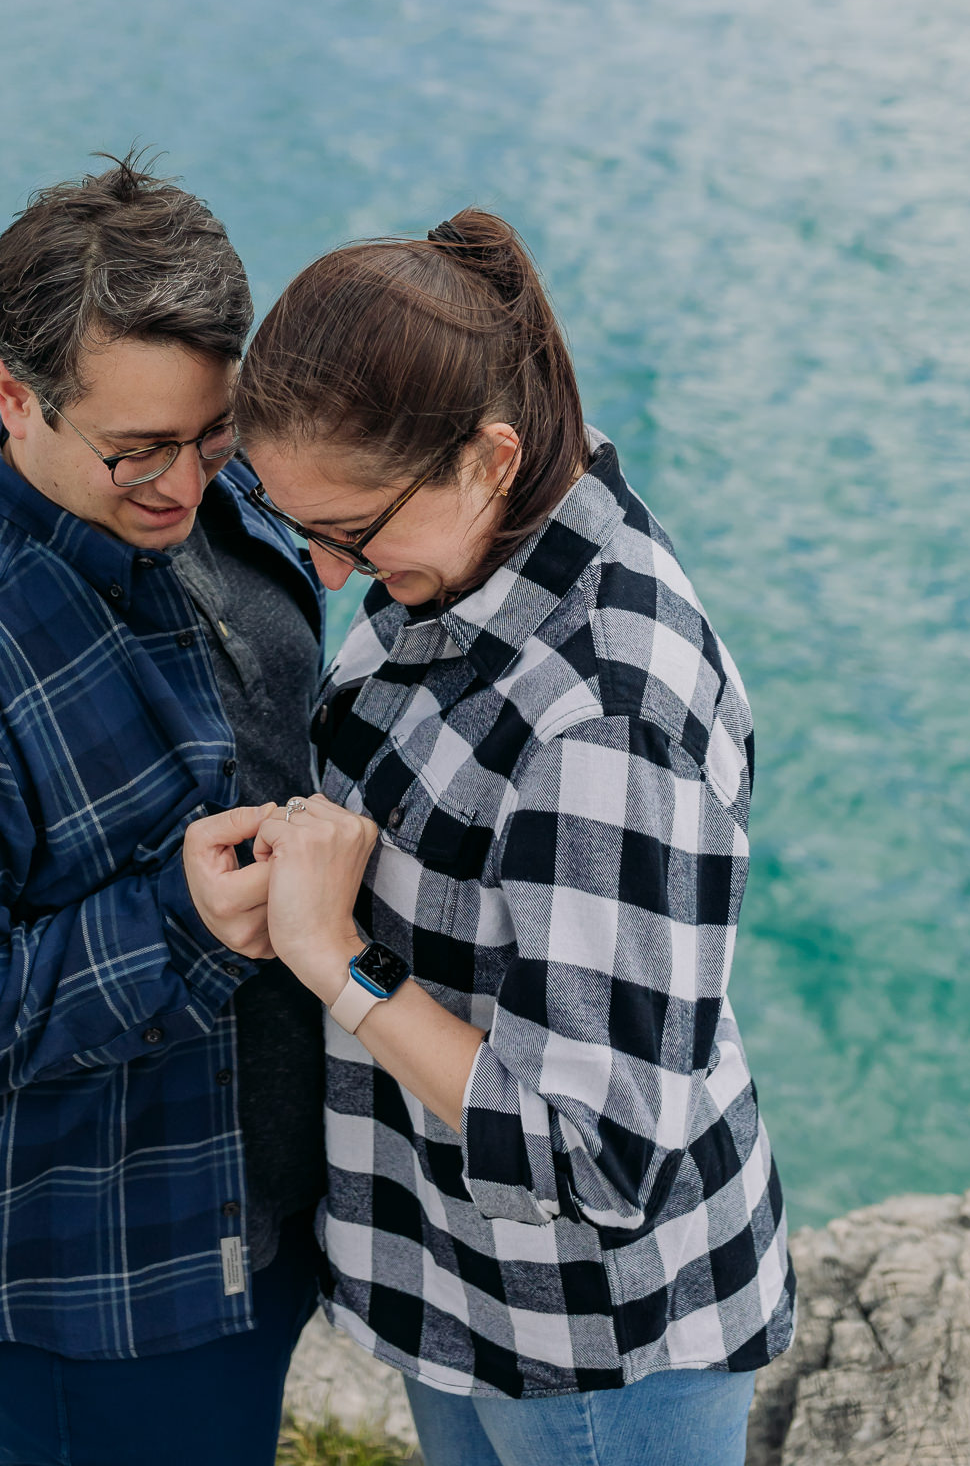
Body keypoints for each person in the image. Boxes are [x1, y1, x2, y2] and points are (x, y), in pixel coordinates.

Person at [231, 209, 795, 1466]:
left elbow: (593, 1154)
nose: (328, 575)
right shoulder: (470, 567)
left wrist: (336, 958)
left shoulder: (607, 719)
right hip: (461, 1285)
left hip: (599, 1345)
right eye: (296, 525)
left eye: (352, 532)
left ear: (489, 456)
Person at [0, 155, 326, 1466]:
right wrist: (180, 926)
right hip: (102, 1297)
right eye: (135, 450)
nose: (184, 486)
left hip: (268, 1217)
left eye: (210, 434)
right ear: (9, 394)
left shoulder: (205, 480)